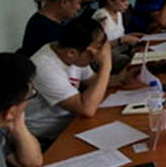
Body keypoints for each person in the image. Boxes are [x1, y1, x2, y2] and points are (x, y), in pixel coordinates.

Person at [25, 17, 136, 145]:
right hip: (46, 138)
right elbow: (86, 109)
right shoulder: (45, 67)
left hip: (72, 123)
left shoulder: (73, 52)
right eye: (94, 52)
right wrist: (106, 65)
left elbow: (93, 82)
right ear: (71, 53)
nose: (97, 56)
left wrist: (122, 79)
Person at [18, 0, 83, 58]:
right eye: (78, 3)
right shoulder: (44, 30)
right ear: (64, 2)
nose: (79, 8)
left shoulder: (54, 21)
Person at [93, 0, 142, 71]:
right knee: (129, 62)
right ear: (110, 1)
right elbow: (97, 46)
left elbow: (119, 35)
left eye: (128, 0)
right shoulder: (101, 16)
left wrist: (136, 35)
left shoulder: (119, 13)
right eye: (123, 1)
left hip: (121, 50)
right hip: (108, 55)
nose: (127, 4)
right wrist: (122, 40)